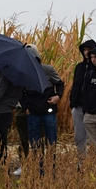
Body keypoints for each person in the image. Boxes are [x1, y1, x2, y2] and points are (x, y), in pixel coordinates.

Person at [21, 44, 64, 176]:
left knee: (51, 142)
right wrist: (25, 108)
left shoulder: (48, 70)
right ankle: (39, 172)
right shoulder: (24, 74)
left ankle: (52, 171)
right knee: (35, 145)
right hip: (33, 113)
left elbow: (60, 83)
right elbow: (20, 93)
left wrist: (58, 96)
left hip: (48, 112)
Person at [69, 39, 96, 156]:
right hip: (78, 106)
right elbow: (75, 85)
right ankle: (81, 164)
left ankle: (94, 164)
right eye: (84, 50)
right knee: (79, 137)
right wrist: (72, 102)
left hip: (92, 108)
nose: (86, 52)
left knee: (94, 139)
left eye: (88, 50)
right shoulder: (79, 67)